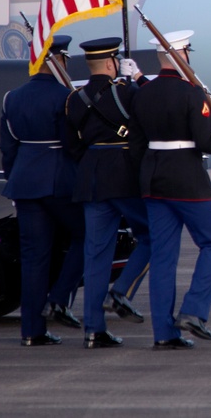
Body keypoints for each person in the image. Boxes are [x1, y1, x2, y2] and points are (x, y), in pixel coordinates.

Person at [131, 30, 211, 349]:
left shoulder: (144, 93)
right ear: (182, 55)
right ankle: (193, 310)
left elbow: (136, 145)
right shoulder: (192, 93)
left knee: (164, 258)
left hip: (153, 179)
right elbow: (206, 141)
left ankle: (164, 333)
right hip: (188, 181)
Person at [64, 37, 151, 349]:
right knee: (153, 235)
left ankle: (93, 329)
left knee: (96, 253)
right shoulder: (125, 92)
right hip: (124, 174)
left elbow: (72, 145)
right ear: (113, 62)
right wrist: (136, 81)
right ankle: (122, 290)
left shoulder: (75, 98)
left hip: (91, 176)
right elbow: (147, 117)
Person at [0, 34, 85, 346]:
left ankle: (32, 331)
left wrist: (18, 179)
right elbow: (73, 145)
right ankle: (59, 298)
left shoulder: (13, 97)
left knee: (34, 256)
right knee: (89, 236)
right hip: (60, 180)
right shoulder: (65, 97)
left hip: (24, 182)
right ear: (59, 60)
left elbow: (9, 151)